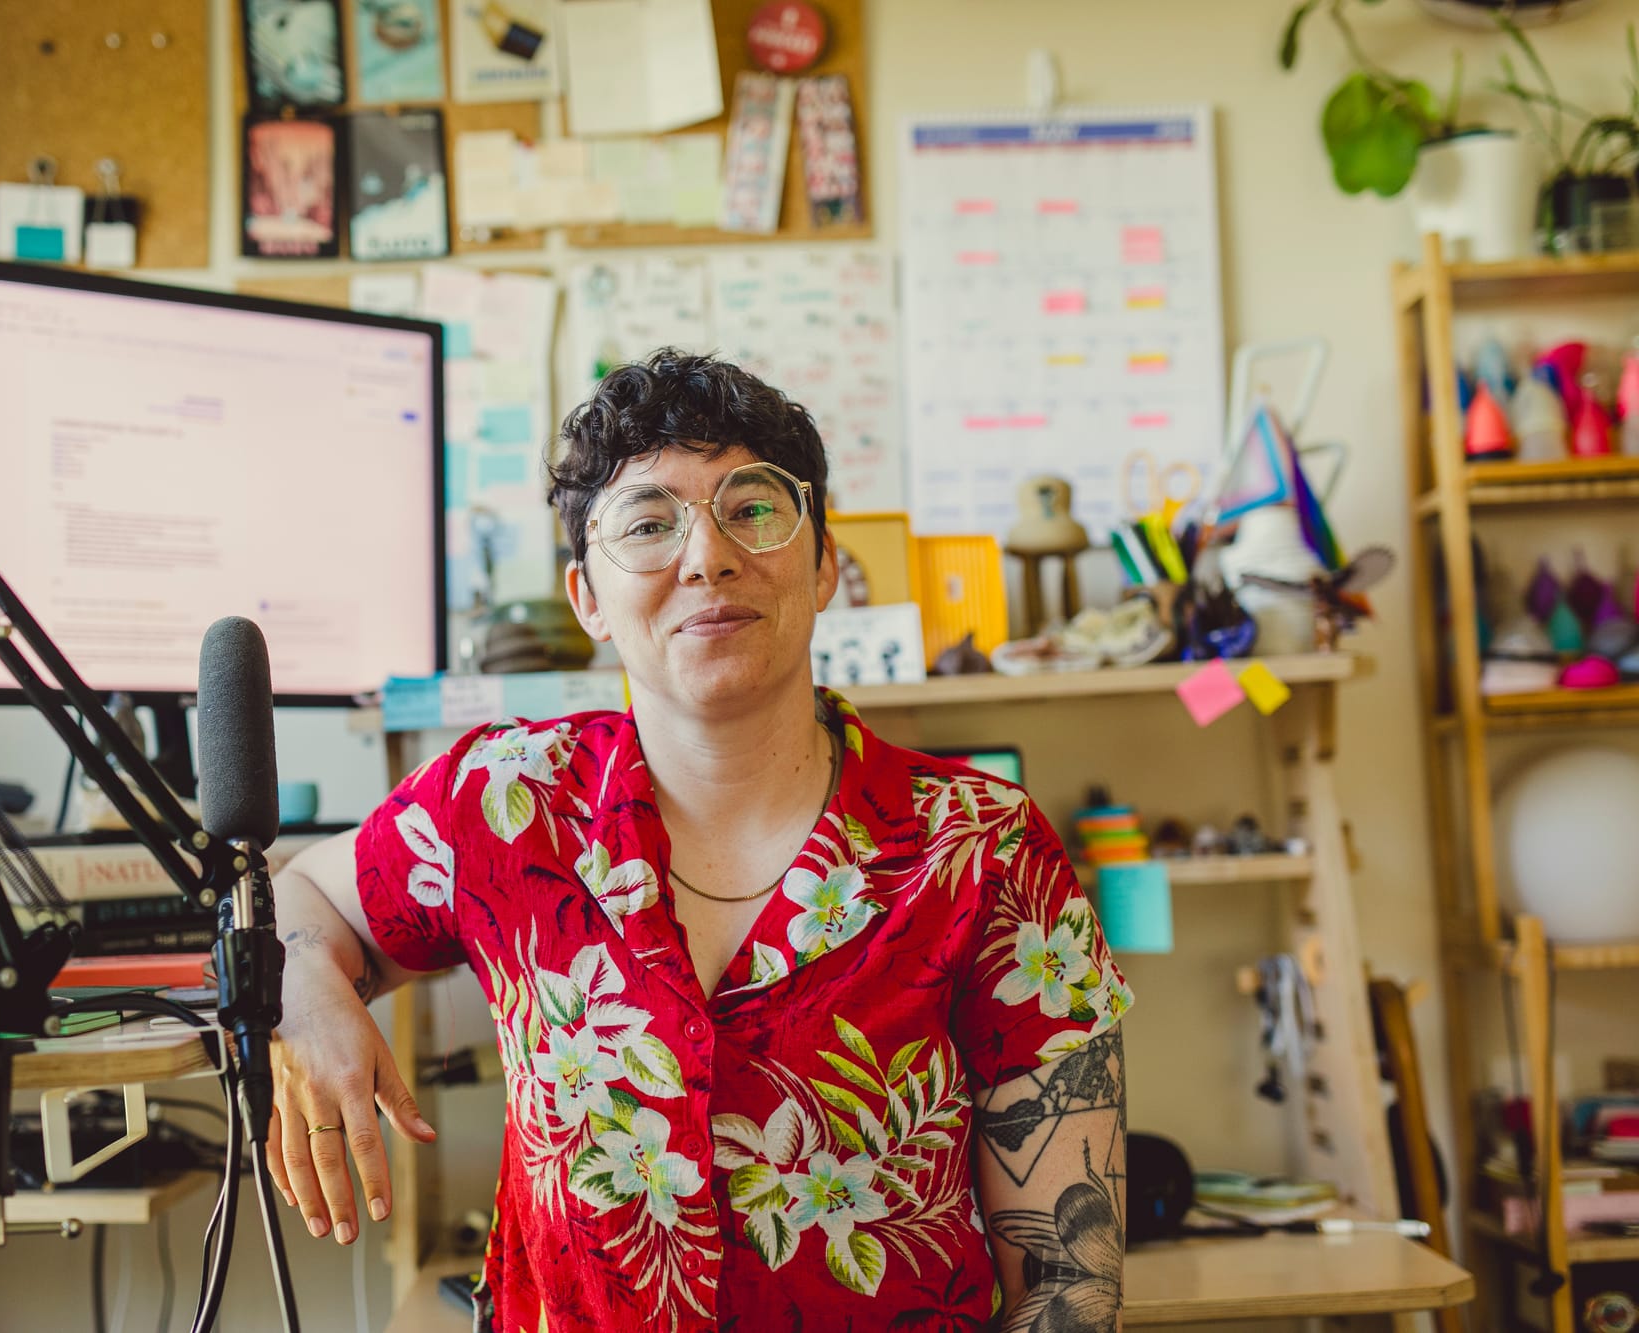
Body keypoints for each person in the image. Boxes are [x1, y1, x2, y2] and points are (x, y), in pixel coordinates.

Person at [269, 350, 1133, 1332]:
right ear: (586, 597)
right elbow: (304, 892)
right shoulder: (503, 803)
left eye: (751, 508)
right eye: (646, 523)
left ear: (823, 564)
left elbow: (1067, 1286)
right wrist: (306, 997)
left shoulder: (981, 846)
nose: (705, 557)